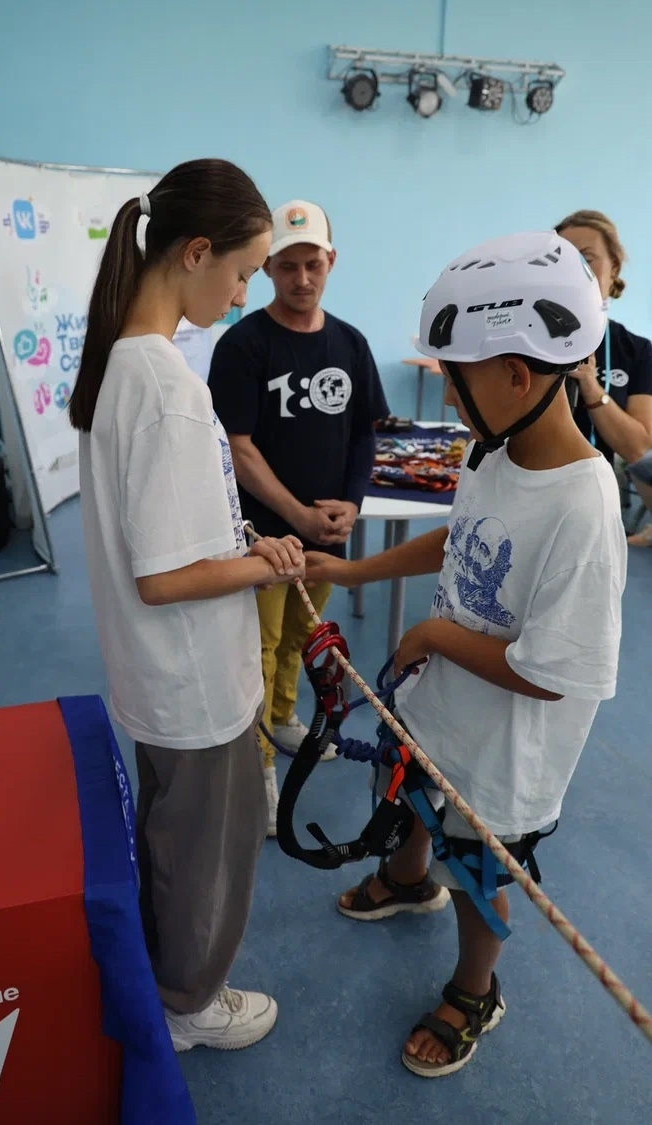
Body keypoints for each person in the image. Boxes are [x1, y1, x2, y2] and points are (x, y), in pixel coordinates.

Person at [305, 230, 626, 1077]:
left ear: (517, 376)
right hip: (443, 708)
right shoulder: (494, 450)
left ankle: (474, 987)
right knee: (412, 792)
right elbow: (461, 539)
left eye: (456, 375)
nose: (445, 391)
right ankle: (408, 878)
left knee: (480, 870)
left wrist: (432, 634)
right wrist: (353, 568)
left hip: (505, 754)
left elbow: (554, 674)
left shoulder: (584, 504)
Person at [69, 159, 307, 1052]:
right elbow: (164, 578)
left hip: (159, 675)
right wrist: (256, 568)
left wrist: (241, 545)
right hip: (194, 682)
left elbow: (165, 534)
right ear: (195, 252)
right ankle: (190, 1002)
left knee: (174, 837)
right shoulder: (166, 385)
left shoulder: (125, 363)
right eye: (242, 272)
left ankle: (169, 977)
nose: (244, 295)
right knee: (208, 850)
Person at [208, 199, 388, 834]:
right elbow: (238, 447)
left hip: (325, 536)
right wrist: (296, 517)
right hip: (260, 534)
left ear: (331, 261)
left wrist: (351, 504)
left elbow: (364, 434)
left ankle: (283, 718)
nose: (302, 279)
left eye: (313, 264)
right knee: (255, 647)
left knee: (301, 638)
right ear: (267, 268)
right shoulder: (243, 346)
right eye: (287, 266)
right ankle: (257, 764)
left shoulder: (351, 344)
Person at [554, 211, 652, 537]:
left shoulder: (636, 350)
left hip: (597, 506)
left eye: (587, 259)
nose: (574, 271)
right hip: (532, 496)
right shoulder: (526, 342)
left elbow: (638, 449)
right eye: (562, 260)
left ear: (614, 269)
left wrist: (591, 387)